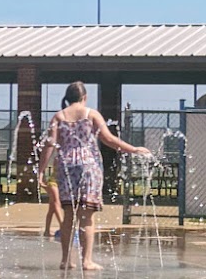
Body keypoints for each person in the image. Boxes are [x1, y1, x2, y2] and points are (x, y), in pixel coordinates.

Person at [38, 81, 151, 271]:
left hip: (66, 167)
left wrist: (41, 170)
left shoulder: (58, 117)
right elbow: (108, 139)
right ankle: (86, 261)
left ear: (68, 97)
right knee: (87, 216)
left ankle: (66, 260)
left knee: (68, 216)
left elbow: (49, 145)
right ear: (85, 97)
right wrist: (132, 149)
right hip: (88, 167)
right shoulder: (91, 114)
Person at [41, 156, 63, 237]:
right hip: (53, 183)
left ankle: (47, 230)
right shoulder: (59, 157)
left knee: (52, 208)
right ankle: (62, 225)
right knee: (56, 203)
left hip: (60, 183)